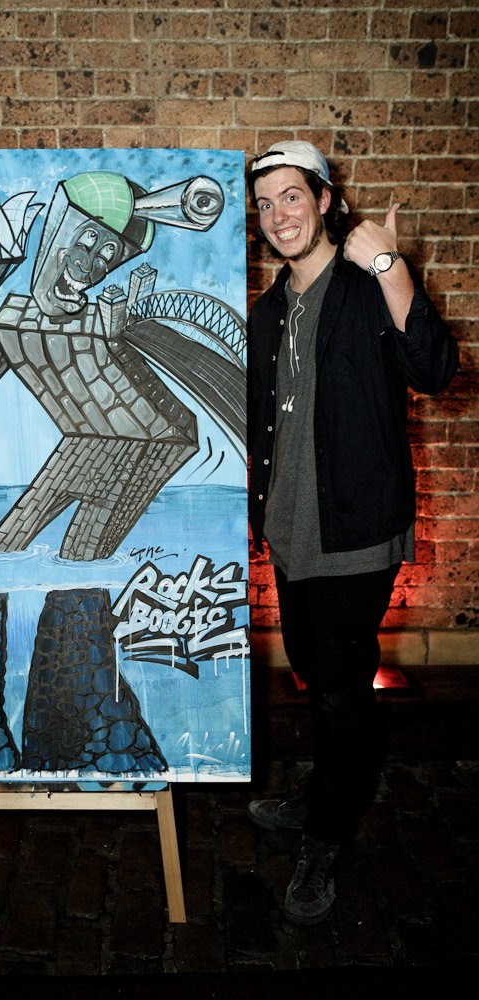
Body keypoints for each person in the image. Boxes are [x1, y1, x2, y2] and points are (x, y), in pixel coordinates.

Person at [245, 140, 458, 926]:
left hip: (356, 528)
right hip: (291, 527)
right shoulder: (268, 311)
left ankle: (327, 832)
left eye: (291, 196)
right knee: (314, 671)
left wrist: (390, 266)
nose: (278, 215)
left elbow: (434, 369)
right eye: (264, 204)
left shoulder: (366, 284)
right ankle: (320, 795)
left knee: (341, 687)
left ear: (325, 201)